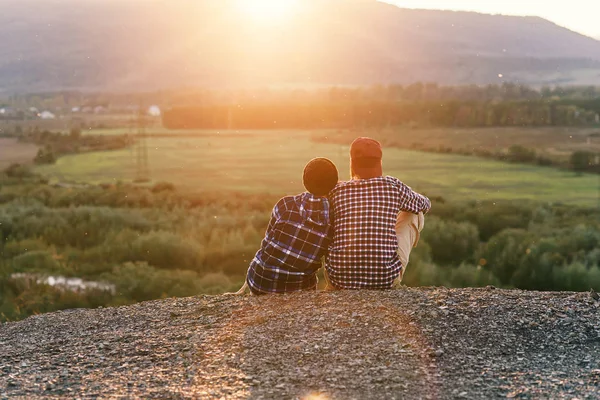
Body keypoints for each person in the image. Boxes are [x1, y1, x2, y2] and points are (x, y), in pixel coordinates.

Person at [325, 137, 431, 290]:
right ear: (379, 162)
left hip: (339, 280)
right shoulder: (392, 186)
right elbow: (425, 205)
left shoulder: (336, 190)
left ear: (352, 163)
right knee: (415, 213)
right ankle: (385, 258)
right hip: (385, 280)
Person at [240, 157, 339, 295]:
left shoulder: (285, 205)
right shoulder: (332, 219)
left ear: (305, 181)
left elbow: (267, 242)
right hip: (299, 289)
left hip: (260, 281)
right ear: (334, 183)